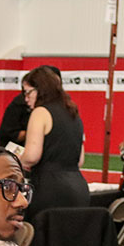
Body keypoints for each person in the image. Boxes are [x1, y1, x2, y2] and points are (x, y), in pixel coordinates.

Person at [19, 66, 89, 224]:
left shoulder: (40, 112)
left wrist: (17, 159)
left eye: (28, 92)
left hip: (50, 188)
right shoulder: (73, 112)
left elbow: (31, 156)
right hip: (78, 187)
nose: (26, 98)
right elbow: (80, 160)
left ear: (40, 90)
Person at [0, 66, 62, 149]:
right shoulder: (21, 103)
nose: (27, 99)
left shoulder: (62, 107)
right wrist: (36, 131)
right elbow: (10, 135)